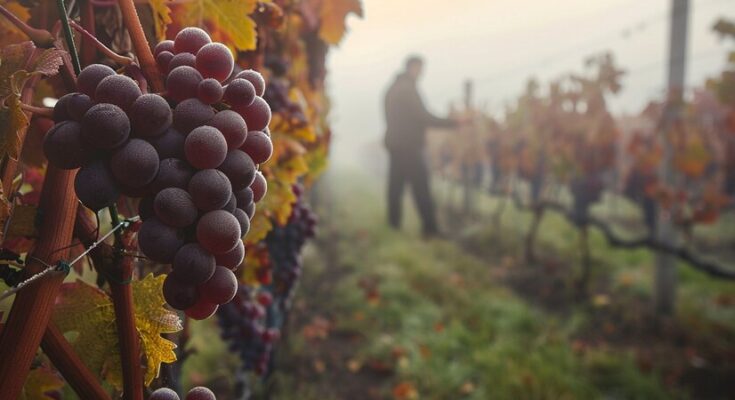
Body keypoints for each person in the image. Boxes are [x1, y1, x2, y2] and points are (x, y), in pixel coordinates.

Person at [383, 55, 457, 237]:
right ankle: (430, 229)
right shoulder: (407, 89)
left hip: (396, 144)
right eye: (420, 69)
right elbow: (423, 117)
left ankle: (393, 225)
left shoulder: (393, 88)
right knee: (421, 187)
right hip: (409, 145)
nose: (422, 73)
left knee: (396, 187)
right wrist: (453, 123)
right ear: (412, 67)